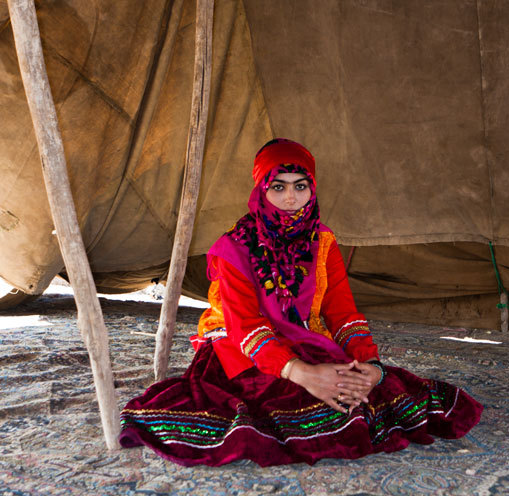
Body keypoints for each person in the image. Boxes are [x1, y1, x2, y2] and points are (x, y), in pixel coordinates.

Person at [119, 138, 483, 467]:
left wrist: (370, 365)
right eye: (278, 187)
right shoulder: (233, 247)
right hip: (240, 345)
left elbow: (341, 312)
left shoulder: (323, 242)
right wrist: (301, 372)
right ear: (262, 189)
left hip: (301, 337)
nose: (290, 198)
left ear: (312, 189)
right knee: (294, 406)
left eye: (300, 186)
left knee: (369, 393)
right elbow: (244, 324)